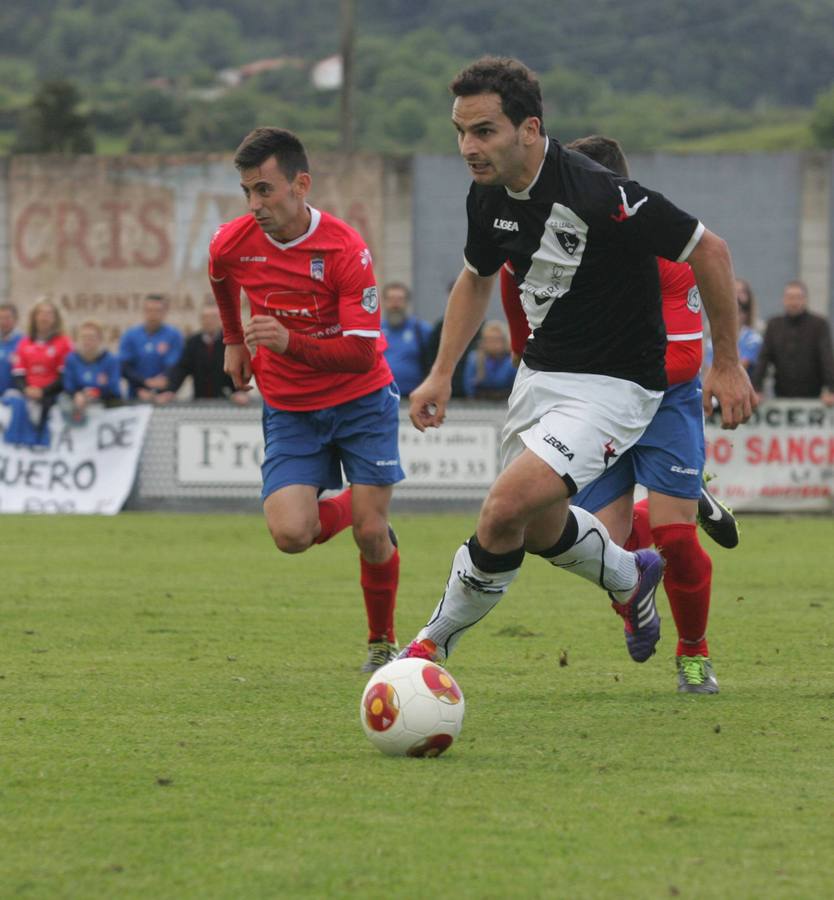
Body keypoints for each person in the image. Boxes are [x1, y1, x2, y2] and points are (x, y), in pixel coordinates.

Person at [400, 57, 755, 674]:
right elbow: (477, 278)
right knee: (537, 528)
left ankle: (432, 644)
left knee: (503, 508)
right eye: (460, 131)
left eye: (483, 131)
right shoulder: (486, 196)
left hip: (618, 385)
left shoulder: (598, 192)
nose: (467, 146)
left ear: (529, 129)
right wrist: (440, 372)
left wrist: (727, 362)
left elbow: (710, 249)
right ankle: (628, 574)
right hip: (543, 378)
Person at [209, 126, 404, 672]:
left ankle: (381, 641)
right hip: (291, 406)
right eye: (248, 191)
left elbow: (364, 355)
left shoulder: (346, 249)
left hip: (361, 400)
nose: (255, 204)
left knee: (370, 533)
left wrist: (288, 341)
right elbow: (219, 273)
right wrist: (232, 339)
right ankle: (364, 508)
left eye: (265, 190)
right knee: (292, 535)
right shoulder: (233, 241)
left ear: (301, 185)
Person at [545, 134, 729, 693]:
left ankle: (693, 653)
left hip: (661, 401)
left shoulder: (667, 254)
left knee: (673, 543)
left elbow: (684, 357)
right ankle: (687, 500)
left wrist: (599, 368)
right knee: (603, 552)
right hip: (596, 406)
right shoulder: (559, 248)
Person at [751, 280, 834, 406]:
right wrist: (756, 389)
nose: (794, 302)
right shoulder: (774, 325)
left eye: (798, 297)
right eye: (790, 297)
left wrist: (831, 390)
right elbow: (763, 359)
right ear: (784, 300)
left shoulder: (819, 325)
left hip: (814, 395)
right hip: (781, 393)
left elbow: (826, 359)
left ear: (805, 299)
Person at [157, 304, 250, 405]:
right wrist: (170, 390)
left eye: (213, 317)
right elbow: (182, 369)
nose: (209, 321)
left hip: (227, 400)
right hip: (199, 399)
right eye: (205, 317)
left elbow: (237, 369)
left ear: (220, 319)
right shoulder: (193, 342)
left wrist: (240, 391)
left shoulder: (230, 344)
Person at [8, 299, 73, 443]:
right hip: (27, 393)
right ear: (34, 317)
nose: (44, 317)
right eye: (41, 313)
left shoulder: (63, 343)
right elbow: (18, 374)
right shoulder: (24, 343)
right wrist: (26, 389)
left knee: (49, 408)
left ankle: (41, 442)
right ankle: (15, 445)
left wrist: (43, 392)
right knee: (14, 403)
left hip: (52, 395)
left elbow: (64, 376)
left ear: (56, 318)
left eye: (49, 314)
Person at [119, 294, 184, 401]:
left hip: (164, 397)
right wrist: (143, 382)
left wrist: (161, 385)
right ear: (144, 311)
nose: (153, 314)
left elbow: (175, 365)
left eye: (157, 310)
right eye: (149, 310)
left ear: (165, 312)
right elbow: (124, 367)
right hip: (135, 396)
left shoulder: (174, 336)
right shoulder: (130, 335)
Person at [62, 319, 123, 423]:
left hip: (104, 404)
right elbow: (68, 385)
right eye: (84, 337)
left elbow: (114, 388)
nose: (87, 341)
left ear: (99, 340)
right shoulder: (72, 359)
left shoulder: (110, 360)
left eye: (91, 338)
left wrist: (94, 393)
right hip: (78, 403)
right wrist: (78, 394)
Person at [379, 282, 433, 397]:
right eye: (391, 299)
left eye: (399, 299)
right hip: (381, 397)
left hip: (413, 397)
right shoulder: (375, 330)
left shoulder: (421, 330)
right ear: (383, 302)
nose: (395, 304)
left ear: (407, 302)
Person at [703, 277, 762, 377]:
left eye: (742, 292)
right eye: (734, 291)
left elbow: (743, 366)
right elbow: (708, 368)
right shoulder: (712, 333)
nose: (737, 295)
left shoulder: (754, 336)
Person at [463, 319, 516, 399]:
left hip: (506, 402)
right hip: (479, 404)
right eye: (489, 339)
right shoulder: (474, 359)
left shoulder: (512, 360)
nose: (493, 343)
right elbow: (469, 387)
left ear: (505, 341)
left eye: (496, 339)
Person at [0, 302, 23, 396]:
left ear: (15, 319)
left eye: (7, 318)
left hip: (14, 395)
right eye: (1, 318)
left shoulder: (23, 342)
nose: (3, 321)